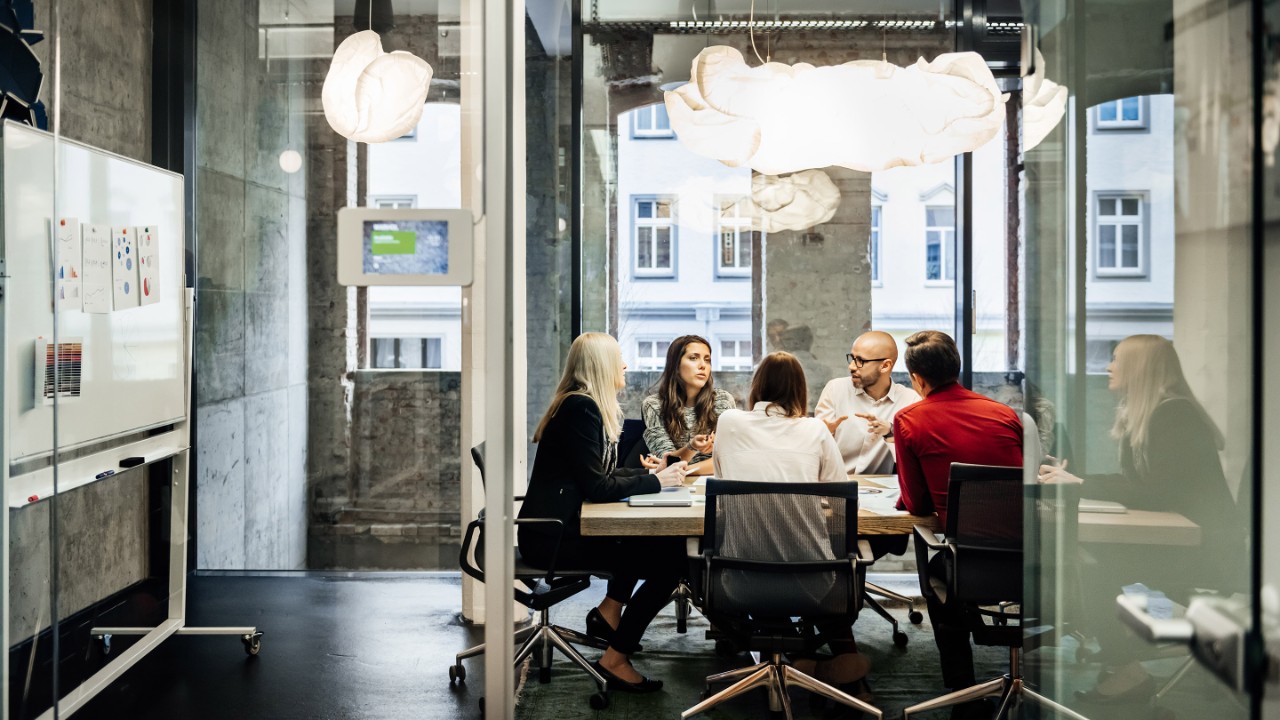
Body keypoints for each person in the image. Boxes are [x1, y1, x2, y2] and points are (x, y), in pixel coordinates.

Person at [1037, 335, 1238, 704]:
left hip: (1208, 550)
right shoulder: (1150, 413)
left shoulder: (1175, 415)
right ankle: (1118, 645)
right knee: (1091, 560)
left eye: (1116, 359)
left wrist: (1080, 483)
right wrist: (1078, 480)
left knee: (1094, 567)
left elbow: (1160, 493)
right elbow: (1138, 485)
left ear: (1140, 368)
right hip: (1182, 538)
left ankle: (1127, 669)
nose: (1109, 367)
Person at [518, 332, 689, 693]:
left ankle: (610, 618)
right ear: (600, 365)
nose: (625, 365)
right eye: (618, 358)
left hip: (559, 529)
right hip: (553, 538)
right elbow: (598, 487)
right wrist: (657, 483)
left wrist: (650, 475)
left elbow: (600, 476)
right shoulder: (581, 409)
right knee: (672, 562)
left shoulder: (579, 404)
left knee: (656, 550)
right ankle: (615, 657)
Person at [713, 351, 871, 687]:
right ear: (800, 390)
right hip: (812, 581)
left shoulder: (728, 421)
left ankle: (795, 660)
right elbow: (838, 497)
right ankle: (819, 664)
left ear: (757, 386)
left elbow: (724, 481)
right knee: (811, 558)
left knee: (761, 554)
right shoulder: (815, 429)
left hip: (738, 579)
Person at [892, 330, 1023, 715]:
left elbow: (917, 503)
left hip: (966, 566)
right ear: (957, 367)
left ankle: (964, 690)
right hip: (1026, 560)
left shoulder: (910, 419)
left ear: (916, 378)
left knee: (928, 552)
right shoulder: (1004, 414)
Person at [815, 330, 921, 475]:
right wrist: (823, 434)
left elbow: (912, 462)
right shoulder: (835, 389)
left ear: (885, 366)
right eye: (852, 358)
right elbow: (815, 452)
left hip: (882, 491)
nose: (851, 366)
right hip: (837, 485)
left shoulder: (910, 400)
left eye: (860, 361)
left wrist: (891, 432)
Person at [639, 335, 736, 476]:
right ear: (676, 365)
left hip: (714, 484)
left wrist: (683, 469)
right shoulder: (654, 405)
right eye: (693, 358)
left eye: (707, 360)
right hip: (674, 486)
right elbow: (669, 461)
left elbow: (729, 459)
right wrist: (692, 447)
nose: (703, 365)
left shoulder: (723, 400)